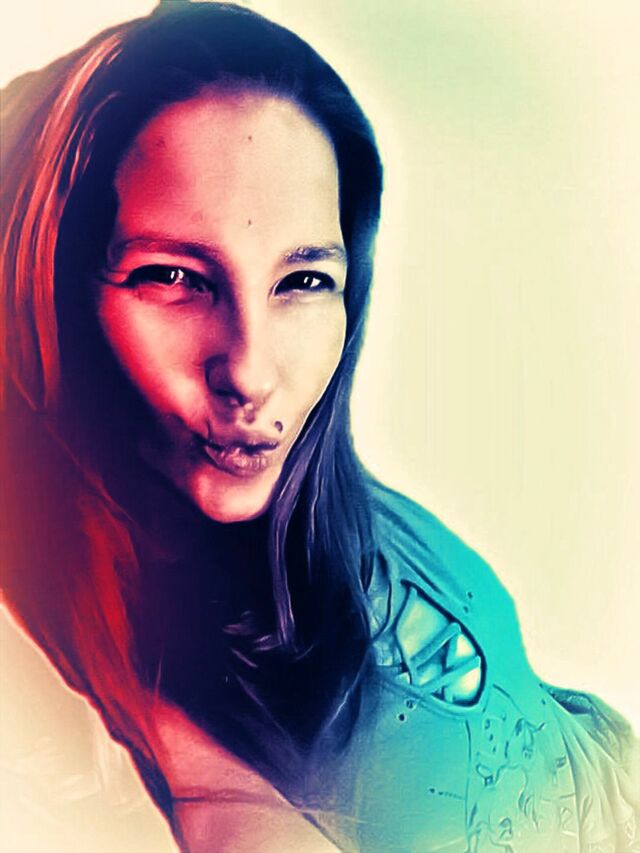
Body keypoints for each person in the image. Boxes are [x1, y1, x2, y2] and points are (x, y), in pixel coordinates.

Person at [1, 2, 637, 851]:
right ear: (52, 296)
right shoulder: (155, 748)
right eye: (174, 278)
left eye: (302, 282)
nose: (251, 371)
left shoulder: (316, 507)